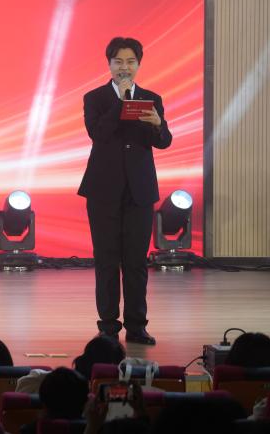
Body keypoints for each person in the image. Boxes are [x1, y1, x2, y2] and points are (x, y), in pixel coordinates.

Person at [78, 37, 172, 345]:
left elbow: (164, 141)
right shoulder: (95, 98)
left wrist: (157, 123)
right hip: (103, 191)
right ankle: (108, 327)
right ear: (109, 64)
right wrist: (121, 101)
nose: (124, 67)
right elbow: (98, 134)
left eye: (130, 61)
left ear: (139, 64)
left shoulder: (151, 98)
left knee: (136, 262)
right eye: (118, 61)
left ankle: (136, 326)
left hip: (139, 192)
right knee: (106, 261)